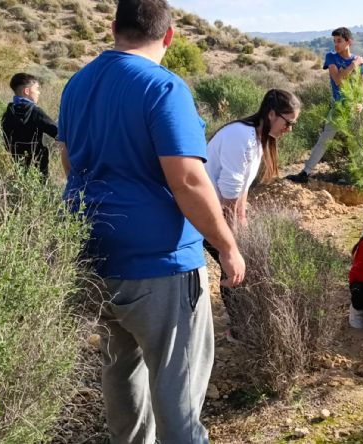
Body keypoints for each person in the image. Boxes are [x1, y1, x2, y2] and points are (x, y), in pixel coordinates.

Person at [56, 1, 245, 442]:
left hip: (94, 255)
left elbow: (68, 160)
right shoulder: (163, 87)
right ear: (169, 35)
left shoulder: (77, 84)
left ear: (114, 28)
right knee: (177, 385)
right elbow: (188, 181)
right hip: (160, 264)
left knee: (121, 367)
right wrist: (227, 244)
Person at [203, 88, 301, 340]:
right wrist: (232, 234)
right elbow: (228, 192)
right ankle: (239, 329)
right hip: (203, 212)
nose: (289, 130)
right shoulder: (241, 136)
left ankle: (241, 325)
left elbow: (242, 187)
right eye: (287, 123)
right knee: (235, 266)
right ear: (271, 114)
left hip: (217, 208)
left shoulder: (257, 139)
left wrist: (242, 223)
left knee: (238, 262)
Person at [287, 26, 363, 184]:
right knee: (325, 139)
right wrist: (353, 65)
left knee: (355, 142)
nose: (336, 44)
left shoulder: (360, 63)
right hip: (337, 108)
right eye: (334, 41)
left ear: (349, 42)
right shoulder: (332, 57)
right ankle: (305, 173)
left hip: (352, 109)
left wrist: (361, 103)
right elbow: (339, 80)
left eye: (339, 41)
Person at [1, 73, 58, 180]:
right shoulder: (36, 112)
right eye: (36, 89)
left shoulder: (8, 113)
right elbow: (58, 133)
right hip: (38, 166)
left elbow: (6, 142)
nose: (39, 92)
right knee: (40, 189)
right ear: (26, 91)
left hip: (17, 164)